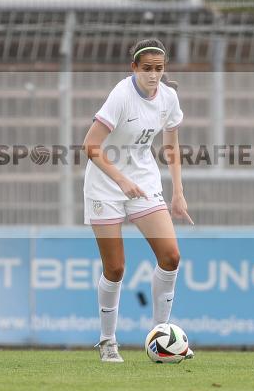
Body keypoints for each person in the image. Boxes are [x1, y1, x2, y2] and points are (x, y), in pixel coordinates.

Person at [81, 38, 194, 363]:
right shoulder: (121, 96)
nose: (154, 75)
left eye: (159, 69)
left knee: (171, 256)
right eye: (147, 69)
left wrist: (178, 193)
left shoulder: (169, 98)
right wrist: (121, 180)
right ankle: (107, 341)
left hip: (142, 182)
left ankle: (162, 336)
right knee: (115, 268)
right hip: (106, 184)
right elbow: (90, 146)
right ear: (135, 68)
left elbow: (171, 146)